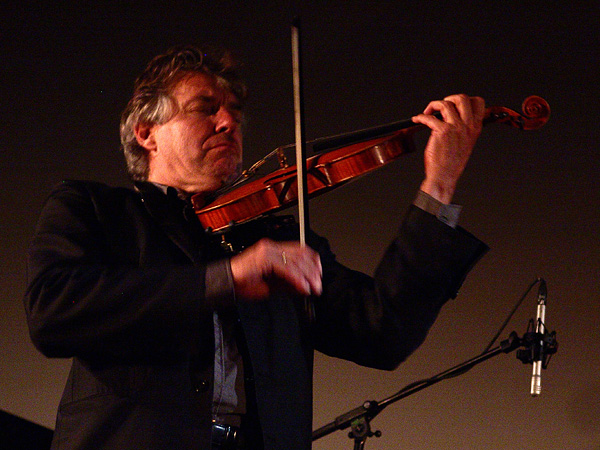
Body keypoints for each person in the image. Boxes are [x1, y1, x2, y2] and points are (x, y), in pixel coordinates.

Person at [24, 45, 488, 450]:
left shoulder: (277, 242)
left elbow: (382, 332)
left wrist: (438, 186)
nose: (229, 122)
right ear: (147, 133)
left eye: (234, 114)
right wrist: (225, 278)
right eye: (205, 108)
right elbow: (53, 311)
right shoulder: (95, 209)